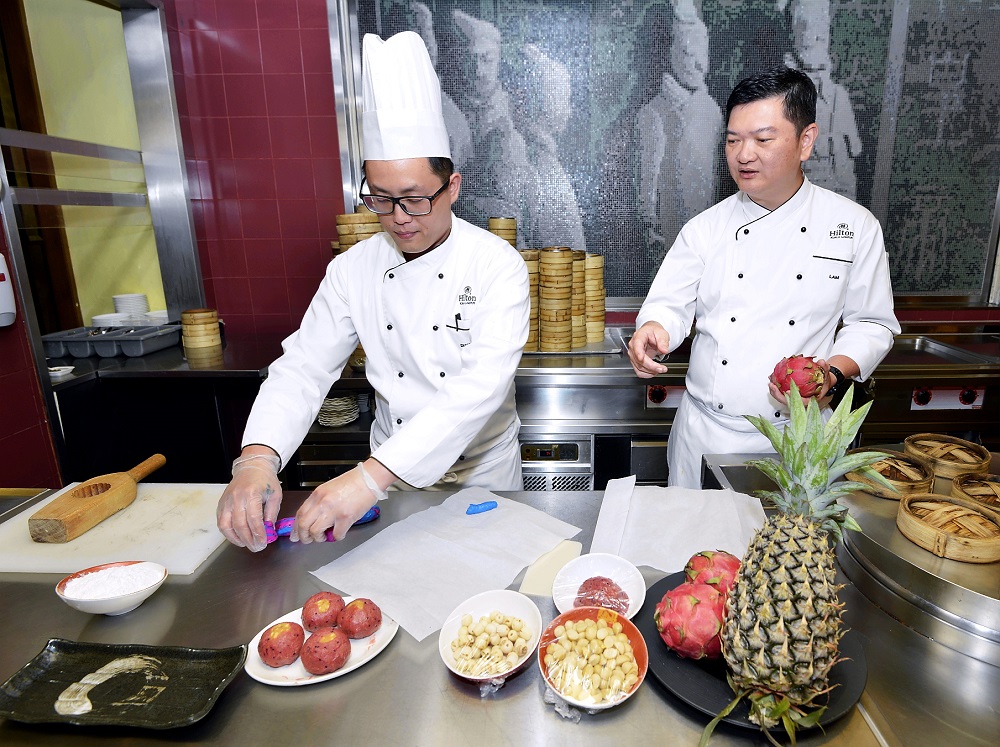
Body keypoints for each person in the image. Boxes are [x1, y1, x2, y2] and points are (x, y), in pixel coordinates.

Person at [217, 31, 530, 551]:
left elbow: (476, 390)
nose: (398, 219)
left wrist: (366, 479)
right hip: (390, 476)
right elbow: (305, 365)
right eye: (380, 200)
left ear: (452, 187)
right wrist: (257, 458)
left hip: (479, 474)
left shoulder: (497, 265)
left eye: (413, 199)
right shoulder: (352, 269)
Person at [627, 66, 899, 489]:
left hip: (799, 436)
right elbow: (668, 305)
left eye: (762, 139)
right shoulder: (705, 228)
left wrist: (832, 373)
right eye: (733, 140)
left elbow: (873, 324)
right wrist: (653, 330)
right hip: (705, 432)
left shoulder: (853, 226)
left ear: (805, 141)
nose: (743, 154)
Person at [636, 3, 722, 265]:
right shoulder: (655, 113)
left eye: (702, 52)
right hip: (673, 234)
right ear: (671, 53)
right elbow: (647, 177)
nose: (698, 64)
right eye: (687, 52)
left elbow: (719, 174)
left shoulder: (714, 110)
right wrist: (650, 223)